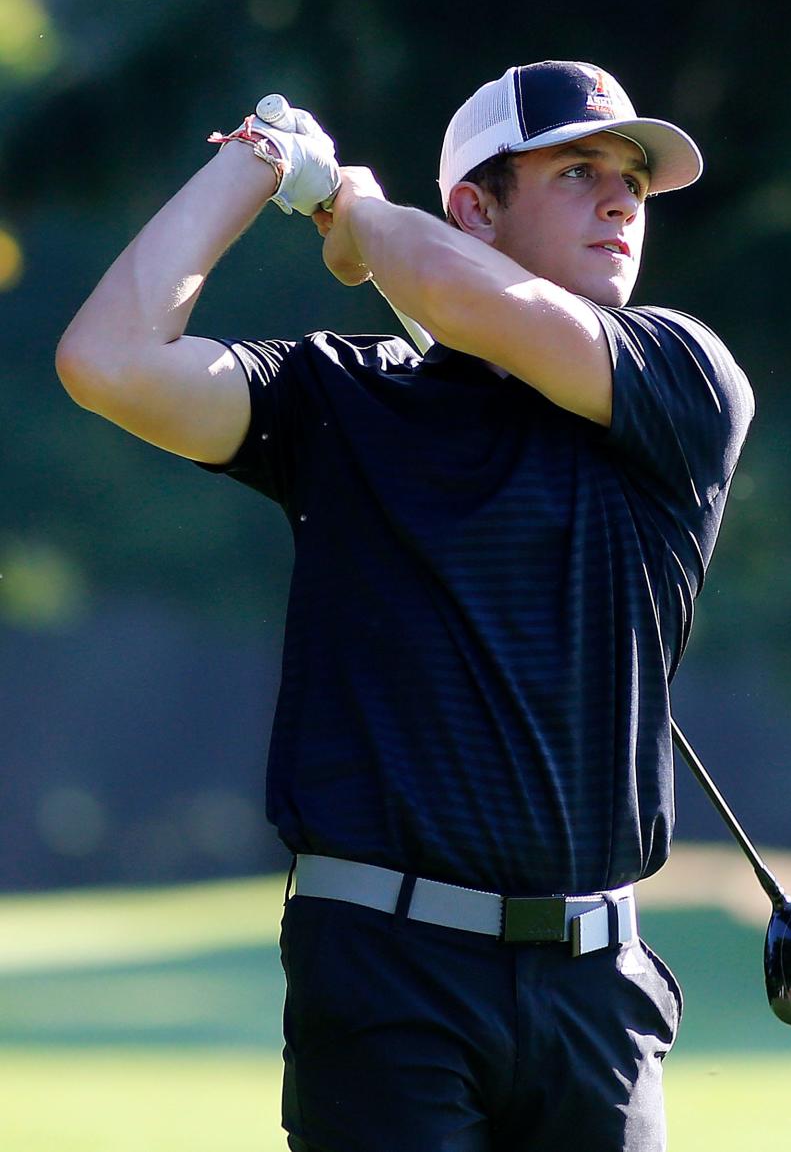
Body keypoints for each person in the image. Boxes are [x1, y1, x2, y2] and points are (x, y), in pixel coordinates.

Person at [56, 60, 754, 1152]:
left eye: (631, 177)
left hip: (596, 995)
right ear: (473, 207)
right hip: (385, 979)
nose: (623, 199)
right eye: (578, 172)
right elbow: (108, 360)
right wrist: (267, 162)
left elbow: (475, 302)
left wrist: (353, 208)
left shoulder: (683, 379)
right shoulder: (343, 395)